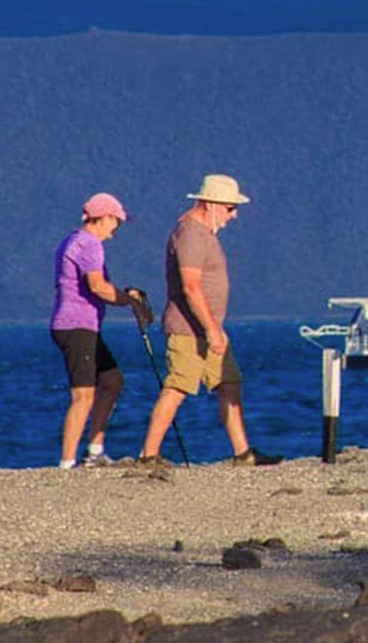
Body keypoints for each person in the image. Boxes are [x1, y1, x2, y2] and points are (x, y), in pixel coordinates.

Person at [138, 174, 281, 466]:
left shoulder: (204, 234)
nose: (234, 215)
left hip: (209, 329)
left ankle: (244, 453)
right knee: (178, 387)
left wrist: (215, 329)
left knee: (229, 383)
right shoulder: (190, 235)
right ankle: (148, 455)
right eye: (230, 208)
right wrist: (212, 329)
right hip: (190, 330)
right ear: (211, 204)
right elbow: (191, 287)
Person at [49, 192, 149, 469]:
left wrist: (124, 296)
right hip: (76, 326)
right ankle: (67, 463)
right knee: (83, 395)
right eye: (115, 222)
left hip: (82, 326)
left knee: (113, 381)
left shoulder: (72, 240)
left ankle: (94, 450)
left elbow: (100, 288)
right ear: (103, 218)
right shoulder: (89, 244)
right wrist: (130, 302)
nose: (115, 231)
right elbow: (98, 286)